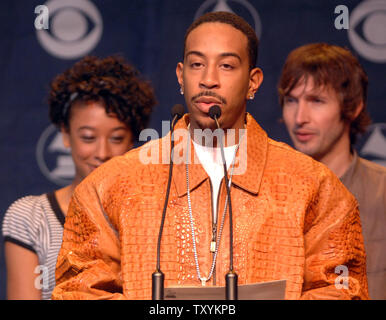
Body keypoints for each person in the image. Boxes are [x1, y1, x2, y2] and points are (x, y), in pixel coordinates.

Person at [52, 12, 368, 300]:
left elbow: (342, 291)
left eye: (227, 65)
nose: (208, 79)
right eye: (196, 64)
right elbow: (78, 290)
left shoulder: (313, 186)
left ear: (253, 82)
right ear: (180, 75)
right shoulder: (112, 184)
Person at [2, 55, 156, 300]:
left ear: (132, 141)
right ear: (66, 134)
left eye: (116, 138)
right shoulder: (31, 217)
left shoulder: (152, 219)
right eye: (88, 137)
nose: (102, 153)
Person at [279, 43, 386, 299]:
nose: (299, 117)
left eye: (316, 101)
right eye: (291, 100)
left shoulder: (382, 194)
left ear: (353, 106)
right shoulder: (269, 194)